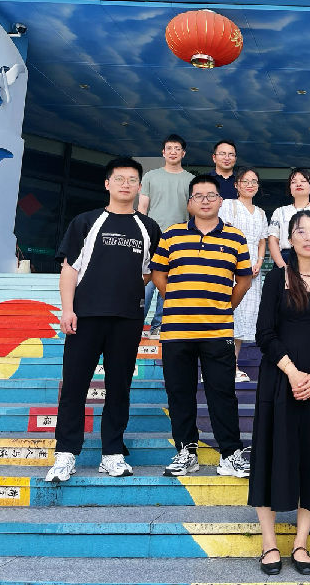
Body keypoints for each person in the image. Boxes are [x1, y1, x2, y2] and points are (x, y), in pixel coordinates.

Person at [45, 157, 161, 482]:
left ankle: (112, 453)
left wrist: (125, 291)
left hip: (127, 319)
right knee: (74, 386)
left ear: (139, 187)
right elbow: (70, 269)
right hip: (85, 317)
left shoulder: (149, 228)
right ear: (108, 184)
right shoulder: (86, 221)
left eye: (132, 179)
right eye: (119, 178)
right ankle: (65, 454)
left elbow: (149, 273)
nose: (126, 184)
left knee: (119, 387)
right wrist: (68, 309)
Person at [250, 210, 310, 577]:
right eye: (301, 231)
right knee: (271, 456)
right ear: (290, 239)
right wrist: (292, 373)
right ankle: (269, 543)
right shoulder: (277, 278)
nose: (308, 237)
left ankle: (301, 543)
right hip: (279, 380)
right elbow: (264, 332)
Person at [150, 175, 252, 478]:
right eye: (199, 196)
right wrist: (176, 299)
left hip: (218, 331)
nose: (205, 201)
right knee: (179, 393)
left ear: (220, 201)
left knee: (223, 393)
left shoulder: (235, 237)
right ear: (189, 202)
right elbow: (158, 274)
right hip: (177, 331)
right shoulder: (171, 235)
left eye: (211, 195)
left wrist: (224, 306)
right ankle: (186, 452)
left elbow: (244, 279)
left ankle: (230, 454)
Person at [137, 134, 194, 338]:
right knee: (145, 284)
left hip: (179, 240)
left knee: (168, 285)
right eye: (169, 148)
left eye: (177, 148)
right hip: (152, 239)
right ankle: (135, 324)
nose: (173, 152)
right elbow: (142, 207)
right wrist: (141, 234)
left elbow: (193, 212)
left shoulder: (191, 180)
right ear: (163, 152)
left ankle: (158, 326)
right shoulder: (150, 176)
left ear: (183, 153)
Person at [219, 166, 269, 383]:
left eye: (254, 181)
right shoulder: (228, 206)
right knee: (226, 316)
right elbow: (222, 234)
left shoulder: (261, 213)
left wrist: (259, 262)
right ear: (236, 185)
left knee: (241, 320)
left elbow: (262, 241)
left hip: (252, 272)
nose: (250, 185)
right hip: (230, 267)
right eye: (245, 181)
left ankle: (233, 365)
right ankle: (219, 367)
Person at [268, 168, 310, 268]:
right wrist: (282, 266)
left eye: (303, 181)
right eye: (293, 182)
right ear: (290, 188)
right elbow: (272, 240)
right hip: (285, 257)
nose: (298, 184)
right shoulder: (280, 212)